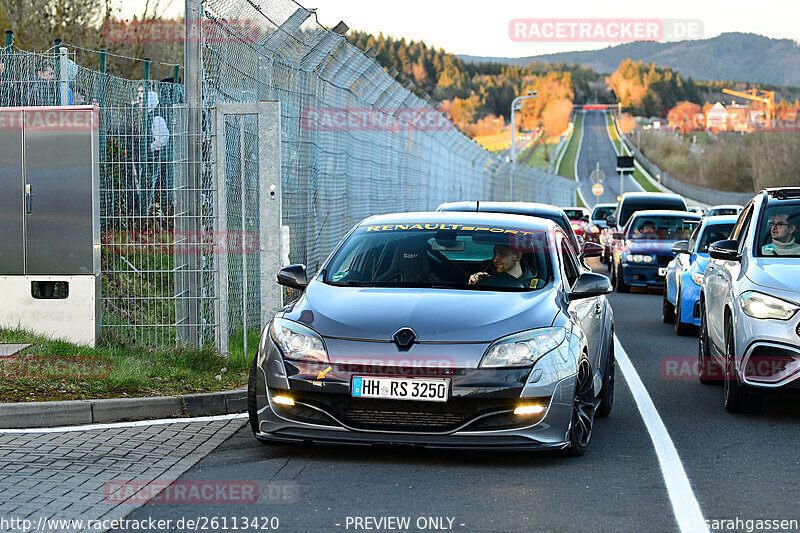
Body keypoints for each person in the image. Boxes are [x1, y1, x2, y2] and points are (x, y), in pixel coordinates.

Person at [468, 245, 540, 289]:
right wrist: (475, 286)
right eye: (495, 253)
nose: (494, 259)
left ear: (517, 256)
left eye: (502, 254)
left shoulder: (539, 286)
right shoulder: (488, 280)